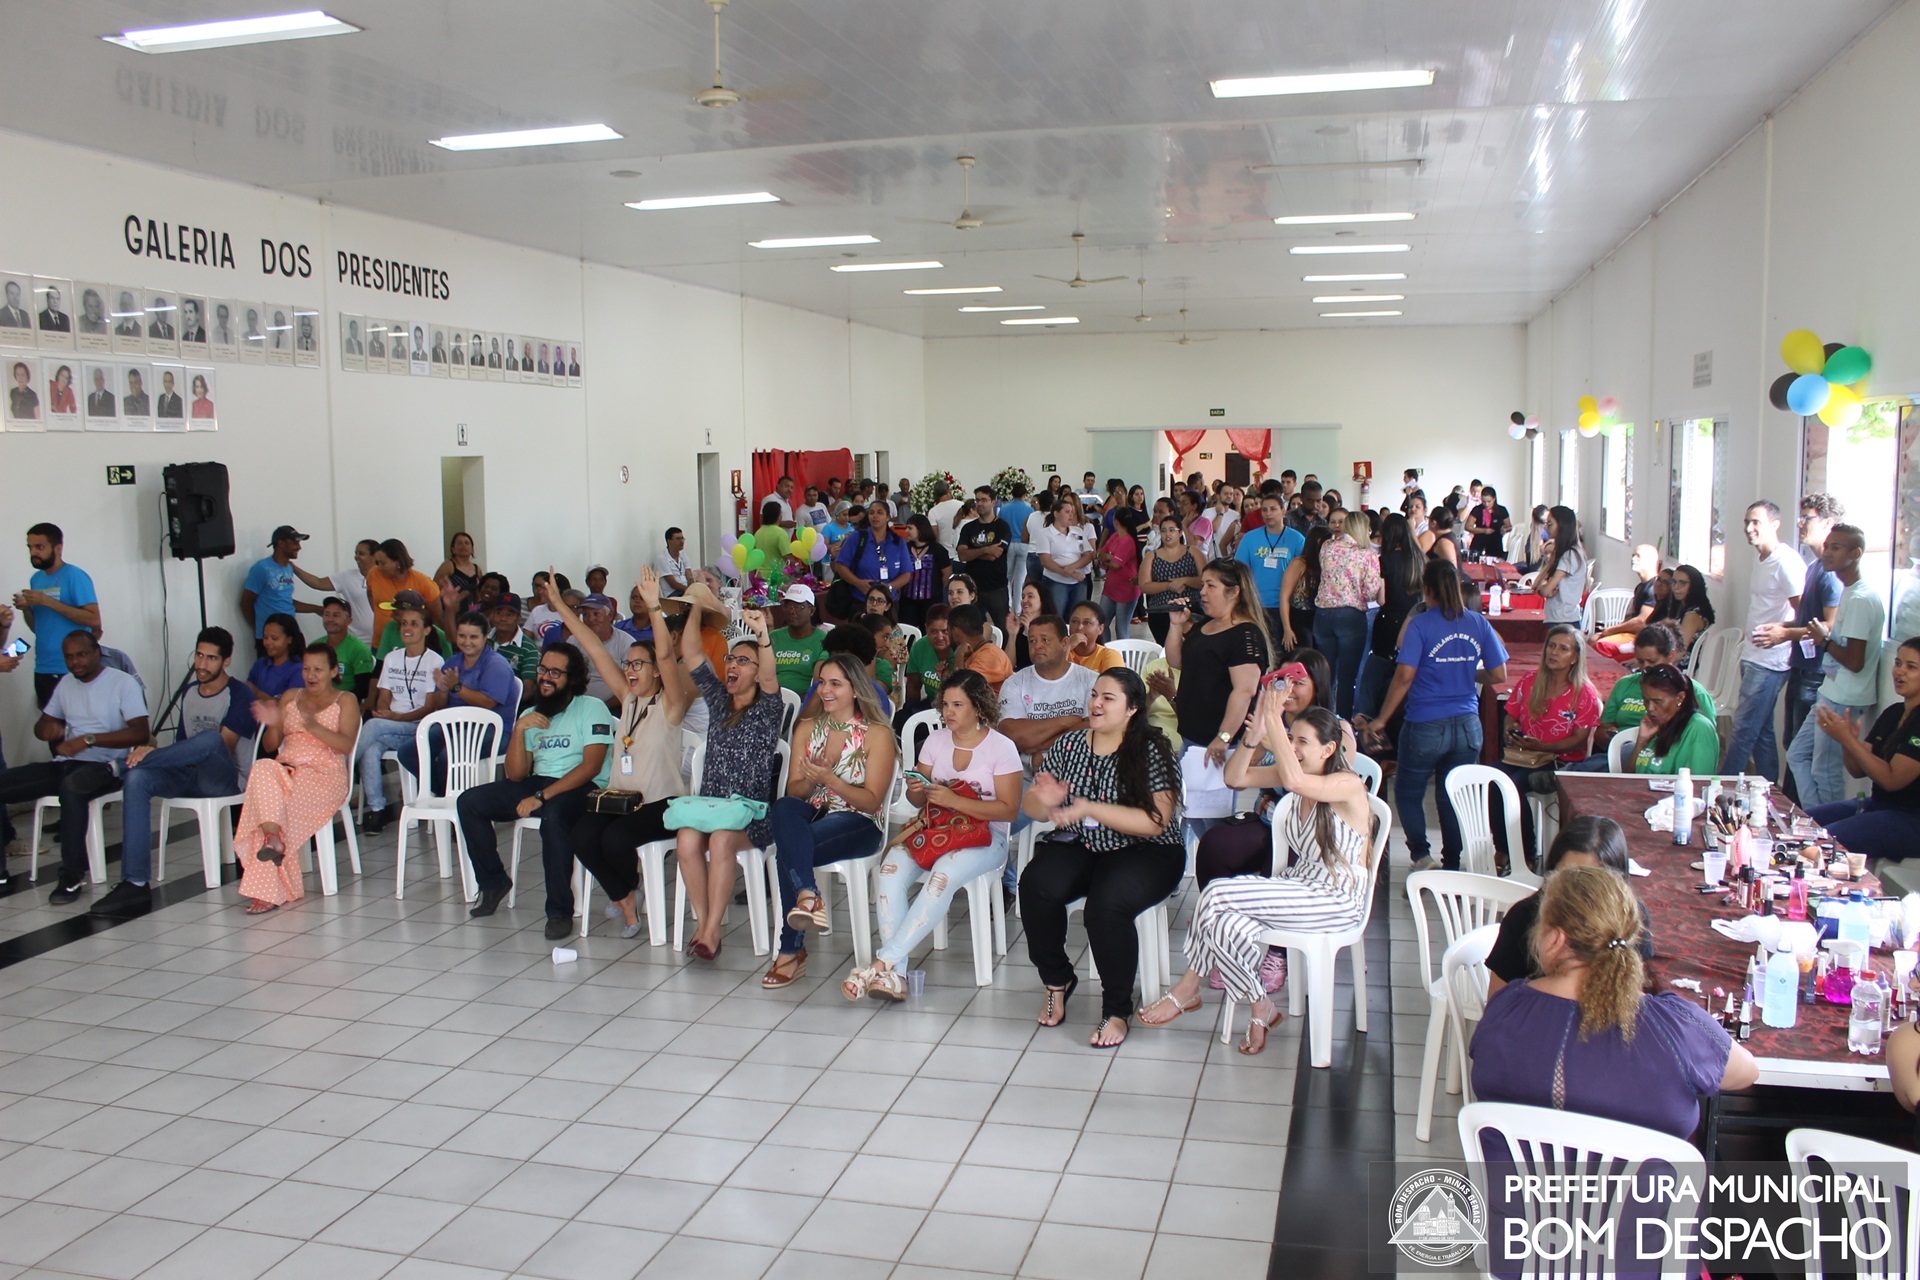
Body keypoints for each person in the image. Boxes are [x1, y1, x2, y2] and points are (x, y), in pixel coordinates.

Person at [1143, 703, 1373, 1054]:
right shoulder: (1293, 774)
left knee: (1217, 893)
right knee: (1225, 925)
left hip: (1337, 898)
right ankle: (1260, 1005)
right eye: (1291, 739)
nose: (1292, 748)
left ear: (1329, 749)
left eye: (1302, 742)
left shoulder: (1346, 783)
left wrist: (1274, 716)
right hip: (1300, 885)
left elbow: (1294, 780)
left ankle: (1188, 988)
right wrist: (1252, 738)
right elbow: (1235, 778)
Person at [1470, 866, 1757, 1139]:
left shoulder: (1505, 1009)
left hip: (1516, 1176)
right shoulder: (1675, 1027)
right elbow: (1746, 1073)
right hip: (1638, 1177)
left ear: (1554, 940)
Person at [1020, 667, 1184, 1049]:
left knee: (1105, 907)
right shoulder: (1070, 745)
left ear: (1132, 708)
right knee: (1036, 885)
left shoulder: (1152, 748)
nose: (1095, 703)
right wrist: (1044, 801)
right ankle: (1058, 980)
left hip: (1148, 850)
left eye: (1108, 698)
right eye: (1095, 695)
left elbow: (1155, 822)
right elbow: (1032, 807)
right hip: (1086, 843)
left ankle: (1117, 1009)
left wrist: (1089, 807)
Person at [547, 569, 691, 941]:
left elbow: (665, 653)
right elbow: (594, 648)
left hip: (660, 803)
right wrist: (561, 606)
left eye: (638, 664)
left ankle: (627, 897)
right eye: (627, 664)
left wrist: (655, 606)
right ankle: (626, 893)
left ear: (657, 673)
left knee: (614, 840)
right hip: (618, 800)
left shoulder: (670, 705)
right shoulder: (628, 700)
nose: (629, 670)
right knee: (581, 836)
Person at [1357, 560, 1509, 871]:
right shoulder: (1478, 623)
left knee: (1408, 791)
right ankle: (1452, 863)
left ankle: (1422, 857)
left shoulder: (1421, 625)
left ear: (1427, 590)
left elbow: (1404, 677)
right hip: (1468, 725)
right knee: (1450, 795)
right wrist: (1466, 673)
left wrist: (1381, 719)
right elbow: (1499, 674)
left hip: (1426, 724)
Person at [456, 643, 612, 936]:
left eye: (555, 672)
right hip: (538, 781)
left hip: (583, 787)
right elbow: (516, 775)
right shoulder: (531, 713)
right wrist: (519, 730)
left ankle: (559, 911)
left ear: (573, 678)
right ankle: (493, 882)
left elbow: (591, 766)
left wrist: (541, 797)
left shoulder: (592, 708)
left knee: (554, 816)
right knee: (469, 802)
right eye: (542, 670)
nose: (545, 678)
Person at [765, 654, 899, 987]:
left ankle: (790, 950)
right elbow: (796, 791)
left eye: (835, 684)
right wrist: (813, 780)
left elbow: (872, 800)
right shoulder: (808, 728)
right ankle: (808, 895)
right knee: (783, 807)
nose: (824, 690)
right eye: (821, 683)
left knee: (788, 850)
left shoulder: (877, 734)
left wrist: (831, 780)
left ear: (855, 689)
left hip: (859, 820)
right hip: (815, 811)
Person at [0, 631, 150, 903]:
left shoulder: (122, 682)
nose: (74, 662)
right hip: (67, 764)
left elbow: (140, 732)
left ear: (97, 653)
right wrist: (46, 729)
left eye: (81, 655)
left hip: (109, 765)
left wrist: (88, 740)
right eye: (69, 657)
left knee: (72, 788)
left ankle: (71, 877)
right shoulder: (66, 684)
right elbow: (43, 725)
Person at [677, 593, 783, 960]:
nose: (733, 665)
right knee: (686, 839)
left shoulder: (768, 709)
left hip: (752, 815)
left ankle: (710, 932)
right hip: (711, 809)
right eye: (731, 659)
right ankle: (704, 922)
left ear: (756, 670)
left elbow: (770, 676)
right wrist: (694, 608)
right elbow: (692, 653)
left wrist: (762, 634)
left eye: (743, 661)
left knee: (721, 841)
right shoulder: (719, 700)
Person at [229, 642, 358, 914]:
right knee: (262, 768)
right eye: (306, 669)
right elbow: (270, 745)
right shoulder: (290, 697)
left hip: (324, 775)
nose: (311, 675)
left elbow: (346, 745)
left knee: (271, 810)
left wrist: (313, 726)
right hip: (287, 769)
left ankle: (267, 891)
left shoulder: (345, 700)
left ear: (333, 671)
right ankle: (272, 838)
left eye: (318, 670)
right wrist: (273, 722)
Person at [1485, 818, 1652, 995]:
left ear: (1615, 884)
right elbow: (1496, 1002)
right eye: (1565, 876)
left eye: (1589, 881)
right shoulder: (1523, 918)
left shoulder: (1632, 919)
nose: (1573, 893)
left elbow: (1634, 994)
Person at [1166, 560, 1271, 839]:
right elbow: (1177, 661)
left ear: (1233, 592)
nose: (1202, 592)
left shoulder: (1245, 634)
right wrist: (1176, 626)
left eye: (1210, 586)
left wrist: (1224, 736)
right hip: (1193, 738)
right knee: (1191, 813)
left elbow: (1244, 691)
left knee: (1212, 823)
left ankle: (1219, 864)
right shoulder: (1205, 626)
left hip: (1219, 743)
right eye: (1203, 585)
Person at [1785, 524, 1883, 809]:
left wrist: (1823, 641)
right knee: (1797, 755)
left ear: (1856, 554)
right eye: (1827, 546)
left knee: (1825, 772)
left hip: (1844, 698)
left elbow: (1855, 661)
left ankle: (1826, 829)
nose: (1827, 553)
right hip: (1831, 691)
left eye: (1836, 548)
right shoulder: (1849, 591)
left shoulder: (1862, 599)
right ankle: (1815, 819)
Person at [1495, 624, 1601, 870]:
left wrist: (1543, 745)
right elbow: (1511, 714)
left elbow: (1579, 739)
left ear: (1575, 657)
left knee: (1514, 784)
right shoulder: (1530, 680)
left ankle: (1525, 856)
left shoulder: (1583, 693)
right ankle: (1504, 848)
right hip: (1525, 755)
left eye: (1563, 649)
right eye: (1551, 646)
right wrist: (1510, 729)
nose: (1553, 652)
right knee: (1493, 779)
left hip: (1561, 760)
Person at [1806, 636, 1920, 856]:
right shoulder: (1893, 713)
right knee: (1802, 823)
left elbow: (1891, 780)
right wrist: (1847, 741)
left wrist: (1848, 740)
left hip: (1911, 818)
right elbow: (1857, 770)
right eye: (1897, 663)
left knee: (1822, 843)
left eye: (1911, 667)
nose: (1899, 671)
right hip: (1878, 806)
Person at [1765, 495, 1845, 791]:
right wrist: (1784, 626)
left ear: (1827, 523)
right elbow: (1808, 619)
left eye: (1807, 519)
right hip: (1801, 667)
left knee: (1802, 754)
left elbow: (1830, 626)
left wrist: (1786, 635)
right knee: (1792, 745)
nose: (1800, 524)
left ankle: (1799, 812)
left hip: (1815, 673)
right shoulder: (1814, 567)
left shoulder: (1831, 576)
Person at [1721, 501, 1805, 780]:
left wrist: (1781, 631)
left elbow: (1806, 615)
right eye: (1747, 522)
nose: (1749, 528)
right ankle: (1769, 790)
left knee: (1743, 730)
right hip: (1752, 655)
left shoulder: (1786, 561)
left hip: (1770, 661)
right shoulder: (1762, 559)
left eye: (1756, 522)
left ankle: (1720, 786)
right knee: (1761, 733)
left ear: (1775, 525)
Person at [397, 609, 519, 798]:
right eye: (462, 636)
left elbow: (488, 703)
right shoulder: (453, 661)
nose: (466, 642)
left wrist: (456, 687)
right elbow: (440, 706)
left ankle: (453, 803)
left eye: (473, 637)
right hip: (456, 726)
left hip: (493, 731)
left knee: (448, 755)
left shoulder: (496, 665)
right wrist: (443, 690)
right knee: (408, 752)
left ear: (486, 636)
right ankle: (441, 794)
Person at [1572, 622, 1715, 770]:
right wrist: (1622, 740)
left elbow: (1704, 740)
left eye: (1652, 661)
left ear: (1671, 656)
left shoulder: (1694, 693)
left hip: (1667, 758)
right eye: (1640, 661)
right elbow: (1601, 731)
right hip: (1625, 753)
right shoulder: (1625, 684)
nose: (1646, 667)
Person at [356, 600, 440, 833]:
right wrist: (387, 713)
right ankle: (378, 810)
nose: (407, 628)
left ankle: (342, 768)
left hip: (419, 726)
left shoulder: (434, 661)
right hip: (391, 724)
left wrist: (394, 718)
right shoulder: (392, 658)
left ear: (426, 630)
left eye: (414, 624)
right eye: (404, 623)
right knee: (371, 749)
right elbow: (384, 696)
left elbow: (430, 708)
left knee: (373, 726)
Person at [15, 523, 100, 706]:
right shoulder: (36, 579)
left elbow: (94, 619)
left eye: (39, 547)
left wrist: (47, 601)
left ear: (58, 548)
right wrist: (26, 609)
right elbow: (38, 628)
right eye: (30, 547)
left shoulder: (75, 576)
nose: (33, 553)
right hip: (44, 667)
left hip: (73, 667)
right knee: (50, 723)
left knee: (79, 721)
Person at [1311, 511, 1383, 720]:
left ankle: (1322, 720)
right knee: (1347, 676)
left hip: (1323, 614)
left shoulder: (1327, 547)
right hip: (1351, 617)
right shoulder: (1367, 554)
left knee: (1327, 675)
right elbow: (1370, 593)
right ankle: (1343, 724)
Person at [1358, 513, 1423, 719]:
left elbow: (1382, 599)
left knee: (1378, 667)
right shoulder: (1420, 559)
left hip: (1389, 621)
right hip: (1416, 621)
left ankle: (1370, 713)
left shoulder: (1384, 560)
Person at [1233, 493, 1307, 644]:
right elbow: (1240, 570)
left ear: (1283, 511)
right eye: (1264, 510)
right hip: (1256, 605)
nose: (1268, 514)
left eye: (1273, 509)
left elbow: (1302, 574)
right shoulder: (1250, 538)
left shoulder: (1297, 539)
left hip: (1286, 607)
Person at [1630, 664, 1721, 775]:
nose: (1650, 708)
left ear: (1680, 698)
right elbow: (1627, 778)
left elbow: (1698, 782)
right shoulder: (1655, 725)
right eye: (1646, 701)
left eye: (1657, 702)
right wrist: (1641, 741)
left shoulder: (1699, 728)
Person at [241, 526, 322, 647]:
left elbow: (285, 602)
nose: (299, 547)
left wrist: (316, 609)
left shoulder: (289, 568)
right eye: (294, 542)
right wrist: (260, 628)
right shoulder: (262, 568)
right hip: (272, 639)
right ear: (281, 543)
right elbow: (246, 602)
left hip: (291, 634)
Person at [832, 499, 913, 617]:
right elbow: (840, 565)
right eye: (871, 512)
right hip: (861, 602)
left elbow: (906, 574)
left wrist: (889, 587)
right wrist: (857, 582)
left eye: (880, 512)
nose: (875, 516)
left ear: (888, 516)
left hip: (888, 604)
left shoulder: (898, 542)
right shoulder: (857, 537)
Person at [956, 487, 1015, 624]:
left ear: (993, 502)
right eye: (977, 500)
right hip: (973, 587)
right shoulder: (968, 528)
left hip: (996, 587)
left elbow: (995, 554)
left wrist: (972, 552)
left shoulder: (1002, 527)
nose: (980, 503)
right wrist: (986, 550)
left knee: (1003, 628)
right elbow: (962, 555)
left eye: (984, 500)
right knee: (972, 627)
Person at [1140, 514, 1200, 645]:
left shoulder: (1193, 552)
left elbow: (1204, 580)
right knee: (1167, 649)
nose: (1167, 534)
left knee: (1193, 648)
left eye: (1172, 530)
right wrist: (1169, 585)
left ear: (1180, 532)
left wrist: (1184, 580)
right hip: (1161, 611)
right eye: (1164, 530)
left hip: (1191, 610)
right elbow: (1144, 585)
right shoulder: (1152, 556)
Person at [564, 593, 634, 705]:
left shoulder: (626, 643)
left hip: (615, 707)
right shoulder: (574, 641)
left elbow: (632, 685)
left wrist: (603, 707)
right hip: (577, 704)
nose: (591, 619)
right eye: (586, 615)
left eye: (596, 614)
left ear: (610, 615)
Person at [1036, 493, 1096, 617]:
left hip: (1078, 580)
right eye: (1067, 512)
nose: (1071, 515)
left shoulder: (1078, 532)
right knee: (1056, 616)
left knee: (1077, 615)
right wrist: (1067, 572)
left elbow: (1087, 555)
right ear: (1056, 513)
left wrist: (1072, 567)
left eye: (1072, 512)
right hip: (1056, 581)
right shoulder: (1045, 534)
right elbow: (1045, 561)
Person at [1594, 545, 1667, 646]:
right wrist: (1612, 629)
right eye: (1633, 555)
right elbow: (1631, 616)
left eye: (1638, 556)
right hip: (1631, 633)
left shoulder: (1653, 589)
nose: (1633, 559)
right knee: (1593, 639)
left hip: (1642, 637)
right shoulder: (1640, 587)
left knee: (1598, 643)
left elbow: (1641, 622)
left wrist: (1611, 630)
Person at [1277, 526, 1333, 652]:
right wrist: (1287, 628)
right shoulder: (1299, 563)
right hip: (1298, 619)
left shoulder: (1326, 562)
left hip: (1318, 618)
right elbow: (1284, 597)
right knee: (1303, 656)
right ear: (1319, 541)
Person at [1534, 505, 1587, 626]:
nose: (1546, 528)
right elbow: (1536, 584)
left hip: (1564, 619)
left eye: (1550, 524)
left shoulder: (1570, 555)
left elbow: (1545, 591)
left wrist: (1542, 588)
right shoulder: (1562, 552)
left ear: (1562, 525)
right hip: (1557, 617)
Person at [770, 583, 825, 697]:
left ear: (811, 610)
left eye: (799, 606)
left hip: (804, 698)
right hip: (772, 696)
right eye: (788, 606)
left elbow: (819, 682)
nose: (792, 611)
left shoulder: (823, 639)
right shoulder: (774, 637)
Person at [897, 515, 951, 631]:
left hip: (931, 600)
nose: (906, 531)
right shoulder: (904, 548)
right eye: (906, 528)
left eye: (910, 528)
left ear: (921, 529)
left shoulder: (938, 550)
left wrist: (936, 588)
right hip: (907, 600)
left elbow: (947, 573)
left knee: (929, 631)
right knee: (907, 630)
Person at [1097, 507, 1143, 641]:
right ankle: (1106, 650)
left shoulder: (1128, 540)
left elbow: (1116, 565)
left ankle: (1122, 653)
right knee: (1101, 623)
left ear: (1115, 521)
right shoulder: (1115, 536)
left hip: (1126, 589)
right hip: (1111, 588)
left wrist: (1108, 558)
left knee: (1121, 628)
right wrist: (1110, 557)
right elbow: (1100, 554)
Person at [901, 604, 954, 719]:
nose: (940, 637)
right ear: (926, 628)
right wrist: (910, 713)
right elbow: (913, 685)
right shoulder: (919, 647)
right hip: (931, 704)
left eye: (945, 631)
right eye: (934, 631)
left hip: (956, 709)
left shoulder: (960, 650)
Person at [364, 539, 441, 617]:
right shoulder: (374, 574)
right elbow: (370, 594)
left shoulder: (423, 582)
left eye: (382, 563)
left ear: (398, 562)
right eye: (377, 563)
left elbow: (436, 615)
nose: (379, 567)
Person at [948, 604, 1012, 693]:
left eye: (948, 630)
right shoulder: (975, 651)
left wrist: (959, 655)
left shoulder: (990, 656)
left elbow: (960, 692)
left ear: (955, 632)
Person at [319, 597, 375, 696]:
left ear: (349, 621)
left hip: (345, 701)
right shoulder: (315, 646)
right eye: (327, 614)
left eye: (336, 615)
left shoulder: (359, 649)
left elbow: (363, 689)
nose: (330, 619)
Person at [485, 593, 540, 690]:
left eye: (509, 615)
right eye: (499, 613)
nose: (503, 618)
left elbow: (527, 689)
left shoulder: (529, 648)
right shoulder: (483, 639)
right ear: (492, 615)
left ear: (519, 618)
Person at [244, 614, 306, 701]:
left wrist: (257, 692)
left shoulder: (298, 669)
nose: (268, 642)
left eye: (274, 638)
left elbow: (289, 705)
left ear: (289, 639)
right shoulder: (260, 663)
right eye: (265, 637)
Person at [432, 532, 483, 630]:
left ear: (472, 548)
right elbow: (434, 588)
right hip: (449, 612)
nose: (464, 546)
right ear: (453, 549)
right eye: (459, 543)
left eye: (467, 543)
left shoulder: (477, 569)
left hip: (468, 614)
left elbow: (478, 593)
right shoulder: (448, 566)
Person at [1668, 563, 1716, 664]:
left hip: (1680, 668)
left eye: (1682, 583)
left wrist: (1652, 662)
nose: (1676, 587)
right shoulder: (1683, 607)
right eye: (1673, 582)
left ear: (1694, 586)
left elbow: (1679, 653)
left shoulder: (1692, 615)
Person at [999, 483, 1035, 608]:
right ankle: (1018, 607)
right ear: (1025, 495)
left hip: (1008, 544)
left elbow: (1000, 526)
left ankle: (1007, 604)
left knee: (1007, 577)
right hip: (1024, 544)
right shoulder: (1030, 510)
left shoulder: (1004, 509)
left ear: (1012, 494)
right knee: (1020, 579)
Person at [1065, 600, 1124, 674]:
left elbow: (1115, 680)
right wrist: (1067, 647)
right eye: (1075, 621)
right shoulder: (1058, 651)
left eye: (1087, 622)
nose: (1079, 627)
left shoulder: (1110, 656)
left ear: (1100, 629)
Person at [1467, 485, 1512, 559]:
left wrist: (1504, 529)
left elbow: (1509, 526)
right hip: (1479, 542)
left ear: (1494, 499)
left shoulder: (1502, 510)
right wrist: (1484, 530)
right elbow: (1468, 527)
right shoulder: (1477, 510)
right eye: (1484, 501)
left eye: (1489, 501)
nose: (1486, 504)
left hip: (1495, 543)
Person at [926, 481, 964, 554]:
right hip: (962, 551)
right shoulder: (962, 505)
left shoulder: (933, 511)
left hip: (944, 552)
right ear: (948, 491)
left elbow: (935, 536)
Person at [652, 527, 692, 597]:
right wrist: (690, 592)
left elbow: (690, 577)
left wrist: (693, 589)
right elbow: (673, 584)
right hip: (673, 594)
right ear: (669, 541)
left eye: (682, 538)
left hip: (686, 591)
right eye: (678, 539)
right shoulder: (662, 559)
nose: (682, 541)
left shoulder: (683, 555)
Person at [1515, 505, 1551, 572]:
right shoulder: (1543, 533)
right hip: (1539, 570)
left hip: (1532, 570)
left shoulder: (1534, 535)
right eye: (1547, 522)